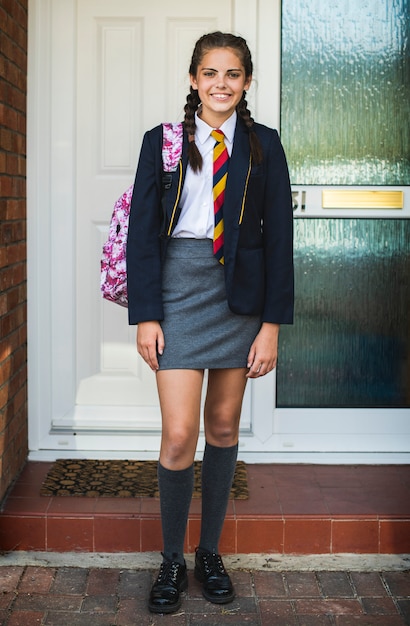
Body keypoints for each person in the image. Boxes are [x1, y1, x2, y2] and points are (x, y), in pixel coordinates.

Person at [126, 31, 294, 614]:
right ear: (193, 79)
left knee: (222, 428)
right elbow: (142, 235)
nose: (221, 84)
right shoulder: (164, 142)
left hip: (239, 301)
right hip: (175, 290)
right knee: (179, 435)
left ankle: (209, 551)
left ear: (246, 83)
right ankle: (171, 559)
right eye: (210, 73)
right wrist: (145, 313)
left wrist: (271, 325)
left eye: (233, 74)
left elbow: (280, 241)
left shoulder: (265, 146)